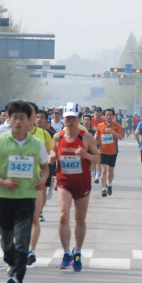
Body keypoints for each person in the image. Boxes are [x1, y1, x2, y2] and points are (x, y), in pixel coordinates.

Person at [0, 101, 48, 283]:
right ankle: (11, 263)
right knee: (7, 241)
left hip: (27, 197)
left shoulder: (37, 144)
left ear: (29, 120)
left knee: (22, 240)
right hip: (3, 197)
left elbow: (45, 168)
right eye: (14, 117)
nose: (18, 121)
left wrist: (42, 180)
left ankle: (17, 278)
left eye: (22, 117)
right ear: (8, 119)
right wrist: (2, 182)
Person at [49, 102, 99, 272]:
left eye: (73, 118)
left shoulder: (86, 137)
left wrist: (85, 154)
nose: (69, 121)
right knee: (63, 216)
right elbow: (53, 152)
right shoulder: (58, 137)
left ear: (79, 118)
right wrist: (52, 156)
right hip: (64, 181)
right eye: (67, 118)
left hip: (82, 182)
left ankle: (77, 252)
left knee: (80, 219)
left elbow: (98, 158)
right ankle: (65, 252)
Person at [25, 102, 53, 267]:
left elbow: (49, 156)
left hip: (36, 182)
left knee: (35, 217)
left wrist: (44, 178)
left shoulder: (43, 134)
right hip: (16, 183)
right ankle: (19, 247)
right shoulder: (11, 136)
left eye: (31, 114)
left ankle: (31, 251)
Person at [95, 108, 124, 197]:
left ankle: (109, 185)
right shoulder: (100, 125)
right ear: (104, 116)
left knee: (111, 171)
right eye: (107, 115)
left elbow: (120, 137)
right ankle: (103, 189)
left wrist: (112, 132)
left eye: (110, 115)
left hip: (113, 151)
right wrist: (94, 140)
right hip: (103, 151)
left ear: (113, 116)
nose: (108, 116)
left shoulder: (117, 125)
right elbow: (96, 135)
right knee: (104, 170)